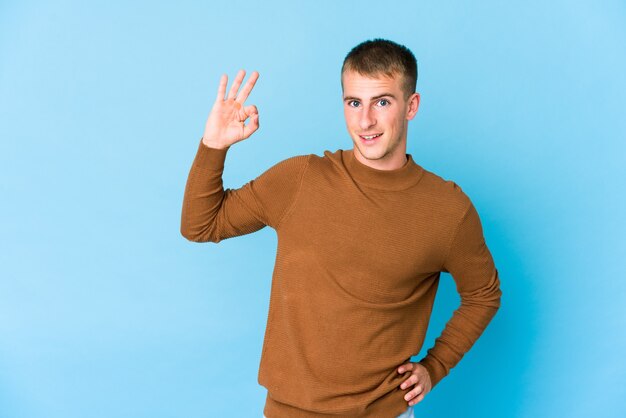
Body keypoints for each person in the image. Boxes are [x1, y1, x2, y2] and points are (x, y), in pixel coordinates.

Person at [181, 38, 502, 418]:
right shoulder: (300, 179)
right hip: (288, 411)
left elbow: (483, 294)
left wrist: (436, 366)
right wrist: (213, 146)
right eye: (354, 103)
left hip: (384, 411)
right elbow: (201, 225)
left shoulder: (447, 209)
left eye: (382, 102)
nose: (365, 120)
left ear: (411, 106)